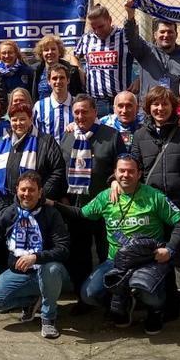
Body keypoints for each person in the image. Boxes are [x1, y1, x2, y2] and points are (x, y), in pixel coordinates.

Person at [72, 155, 180, 335]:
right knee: (89, 294)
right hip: (115, 261)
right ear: (114, 174)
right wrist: (50, 204)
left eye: (131, 171)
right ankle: (123, 301)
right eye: (122, 171)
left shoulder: (154, 196)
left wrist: (169, 249)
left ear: (139, 174)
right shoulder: (105, 197)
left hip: (149, 262)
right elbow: (81, 214)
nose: (126, 175)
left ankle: (155, 311)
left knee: (149, 292)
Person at [130, 86, 180, 332]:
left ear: (174, 106)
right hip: (155, 210)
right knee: (160, 261)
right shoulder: (140, 135)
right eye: (155, 104)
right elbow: (135, 168)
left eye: (165, 104)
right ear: (148, 108)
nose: (160, 109)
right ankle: (169, 307)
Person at [0, 172, 72, 339]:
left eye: (31, 190)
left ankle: (48, 318)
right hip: (18, 273)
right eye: (23, 189)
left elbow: (64, 248)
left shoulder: (51, 214)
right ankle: (32, 301)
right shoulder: (8, 214)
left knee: (51, 269)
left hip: (49, 272)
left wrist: (36, 257)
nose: (27, 194)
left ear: (40, 192)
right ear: (17, 190)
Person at [52, 94, 118, 311]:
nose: (80, 116)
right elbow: (60, 169)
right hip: (75, 206)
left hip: (102, 206)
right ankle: (83, 298)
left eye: (85, 111)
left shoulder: (111, 136)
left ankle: (110, 300)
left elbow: (121, 166)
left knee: (105, 252)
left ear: (94, 112)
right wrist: (62, 195)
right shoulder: (68, 137)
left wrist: (114, 181)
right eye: (77, 112)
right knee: (79, 254)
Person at [0, 103, 66, 227]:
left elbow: (57, 171)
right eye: (14, 120)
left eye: (22, 119)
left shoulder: (46, 142)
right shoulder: (2, 142)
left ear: (31, 120)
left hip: (34, 209)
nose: (18, 123)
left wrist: (39, 196)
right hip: (0, 210)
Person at [123, 0, 180, 97]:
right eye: (162, 32)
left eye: (170, 32)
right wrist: (130, 15)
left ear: (176, 34)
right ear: (155, 35)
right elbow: (131, 37)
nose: (166, 35)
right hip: (149, 109)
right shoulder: (145, 51)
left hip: (177, 109)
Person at [73, 4, 131, 114]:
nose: (98, 31)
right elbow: (74, 56)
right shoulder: (87, 38)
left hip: (120, 101)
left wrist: (138, 80)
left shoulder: (123, 36)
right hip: (95, 101)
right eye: (93, 28)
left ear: (109, 20)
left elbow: (143, 56)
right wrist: (79, 69)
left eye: (101, 26)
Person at [32, 34, 83, 100]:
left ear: (59, 52)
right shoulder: (35, 71)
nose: (50, 52)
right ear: (41, 53)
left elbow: (77, 95)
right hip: (42, 108)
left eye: (53, 49)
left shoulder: (72, 71)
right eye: (46, 50)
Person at [34, 63, 73, 139]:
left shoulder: (78, 105)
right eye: (54, 78)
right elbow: (34, 134)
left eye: (62, 78)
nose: (58, 81)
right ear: (49, 81)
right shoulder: (39, 107)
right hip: (48, 150)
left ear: (68, 80)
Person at [0, 40, 33, 107]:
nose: (7, 56)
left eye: (10, 53)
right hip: (0, 111)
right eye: (3, 53)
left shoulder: (27, 71)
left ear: (16, 54)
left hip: (21, 110)